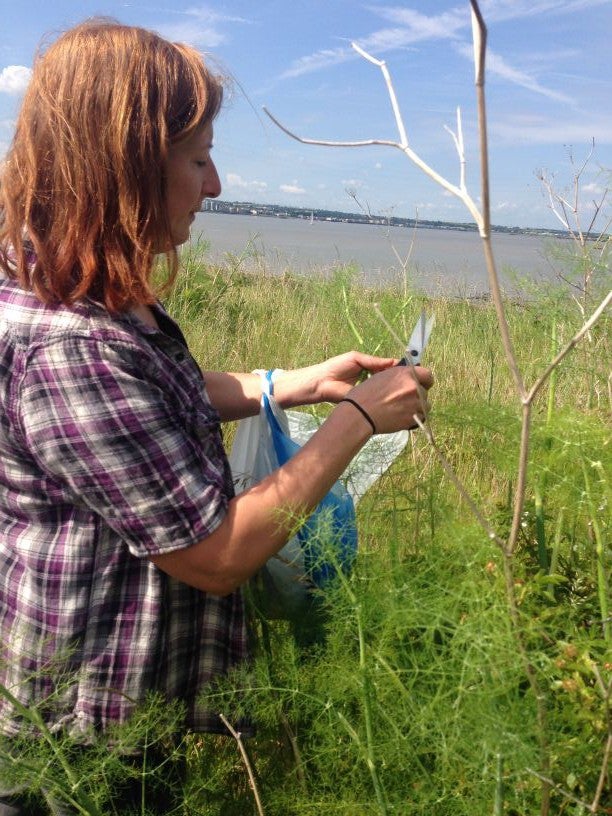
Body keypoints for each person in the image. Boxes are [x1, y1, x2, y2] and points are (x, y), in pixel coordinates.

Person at [0, 19, 433, 814]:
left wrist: (294, 384)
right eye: (197, 159)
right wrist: (360, 424)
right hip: (84, 732)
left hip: (123, 700)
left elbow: (157, 396)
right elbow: (214, 555)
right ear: (125, 168)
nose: (216, 185)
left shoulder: (74, 293)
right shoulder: (73, 349)